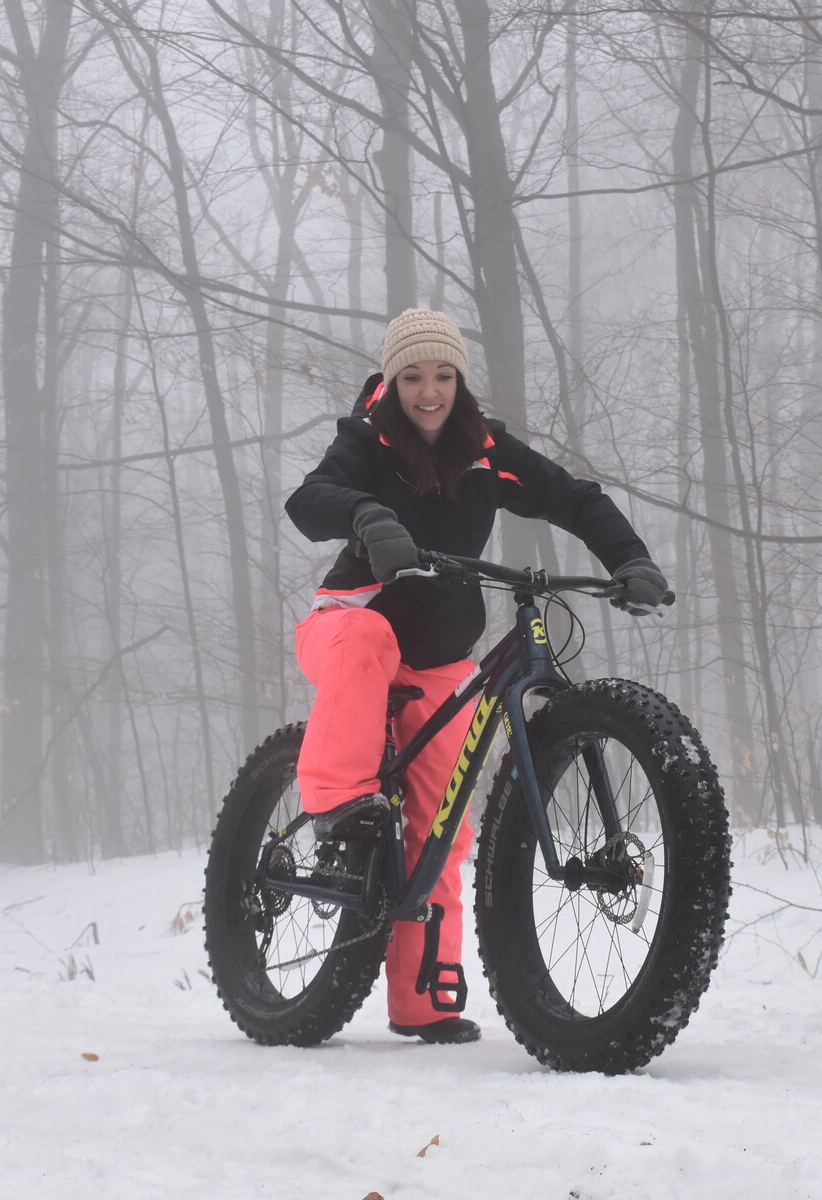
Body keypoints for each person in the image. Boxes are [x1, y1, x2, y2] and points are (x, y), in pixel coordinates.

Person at [284, 308, 668, 1045]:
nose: (429, 391)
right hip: (348, 626)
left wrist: (631, 559)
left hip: (440, 661)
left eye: (443, 375)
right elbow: (308, 502)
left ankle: (425, 999)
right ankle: (336, 801)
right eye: (414, 376)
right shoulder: (365, 441)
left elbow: (573, 498)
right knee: (367, 635)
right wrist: (367, 516)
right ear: (393, 382)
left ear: (459, 381)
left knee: (442, 826)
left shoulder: (486, 449)